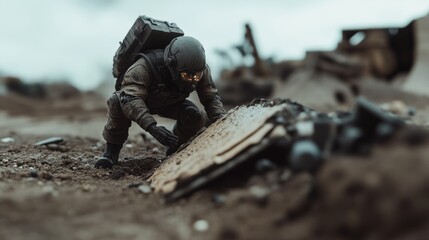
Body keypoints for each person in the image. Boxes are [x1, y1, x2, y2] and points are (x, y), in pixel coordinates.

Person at [95, 36, 226, 169]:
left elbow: (210, 97)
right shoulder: (143, 66)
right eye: (185, 75)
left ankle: (175, 147)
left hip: (170, 103)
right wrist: (152, 128)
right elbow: (130, 98)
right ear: (171, 63)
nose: (191, 80)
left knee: (193, 115)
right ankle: (111, 152)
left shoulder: (200, 69)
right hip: (140, 102)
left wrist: (221, 119)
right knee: (117, 101)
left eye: (196, 76)